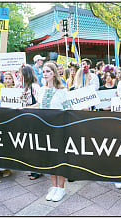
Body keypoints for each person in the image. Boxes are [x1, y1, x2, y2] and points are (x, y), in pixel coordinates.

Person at [35, 62, 70, 202]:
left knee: (60, 158)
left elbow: (69, 110)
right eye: (43, 71)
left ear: (54, 73)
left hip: (59, 129)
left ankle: (61, 188)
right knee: (49, 158)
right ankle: (53, 186)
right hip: (44, 128)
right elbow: (39, 107)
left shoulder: (62, 91)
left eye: (48, 71)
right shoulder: (41, 90)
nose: (45, 74)